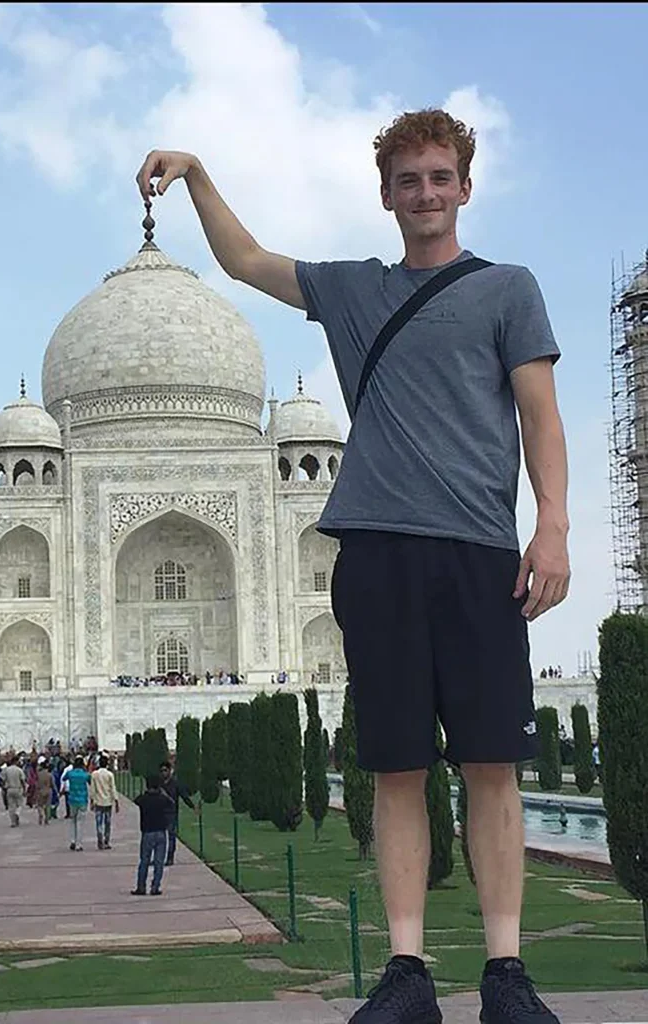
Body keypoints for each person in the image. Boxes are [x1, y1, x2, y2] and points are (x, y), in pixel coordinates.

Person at [136, 110, 569, 1024]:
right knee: (396, 768)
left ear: (463, 185)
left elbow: (540, 415)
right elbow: (247, 262)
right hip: (374, 550)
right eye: (407, 179)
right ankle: (405, 972)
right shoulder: (350, 289)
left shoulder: (507, 289)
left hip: (478, 550)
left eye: (438, 177)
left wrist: (553, 528)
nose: (424, 193)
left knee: (492, 766)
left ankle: (505, 974)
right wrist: (200, 173)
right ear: (385, 194)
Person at [131, 774, 173, 897]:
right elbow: (171, 803)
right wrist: (163, 793)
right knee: (159, 862)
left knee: (144, 860)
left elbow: (136, 800)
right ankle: (155, 887)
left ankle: (141, 886)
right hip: (161, 832)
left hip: (147, 832)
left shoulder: (144, 798)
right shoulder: (162, 798)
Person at [159, 761, 196, 867]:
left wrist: (193, 807)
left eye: (165, 770)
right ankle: (159, 857)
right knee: (160, 838)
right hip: (160, 814)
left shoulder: (175, 783)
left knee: (171, 836)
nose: (163, 773)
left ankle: (170, 858)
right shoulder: (159, 783)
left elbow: (184, 796)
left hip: (171, 813)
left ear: (170, 771)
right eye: (162, 771)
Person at [61, 755, 91, 851]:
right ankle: (79, 844)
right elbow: (90, 782)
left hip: (72, 799)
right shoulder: (85, 774)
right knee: (80, 822)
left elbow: (64, 778)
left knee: (72, 821)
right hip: (82, 799)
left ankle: (73, 840)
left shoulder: (70, 773)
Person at [89, 754, 120, 851]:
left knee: (99, 823)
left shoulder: (94, 774)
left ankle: (100, 840)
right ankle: (106, 841)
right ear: (107, 764)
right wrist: (116, 801)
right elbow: (113, 788)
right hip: (108, 802)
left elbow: (93, 789)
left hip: (98, 802)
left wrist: (92, 801)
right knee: (107, 823)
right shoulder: (109, 774)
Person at [2, 757, 26, 828]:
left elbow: (2, 779)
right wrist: (24, 789)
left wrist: (4, 787)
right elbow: (22, 780)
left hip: (9, 789)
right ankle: (17, 813)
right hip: (18, 788)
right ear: (16, 761)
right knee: (19, 804)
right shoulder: (19, 770)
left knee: (11, 806)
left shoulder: (6, 770)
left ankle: (13, 822)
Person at [35, 756, 53, 826]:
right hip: (48, 790)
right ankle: (47, 819)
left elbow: (36, 783)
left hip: (40, 790)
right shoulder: (49, 774)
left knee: (40, 805)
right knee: (48, 806)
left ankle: (41, 814)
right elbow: (52, 784)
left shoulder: (38, 774)